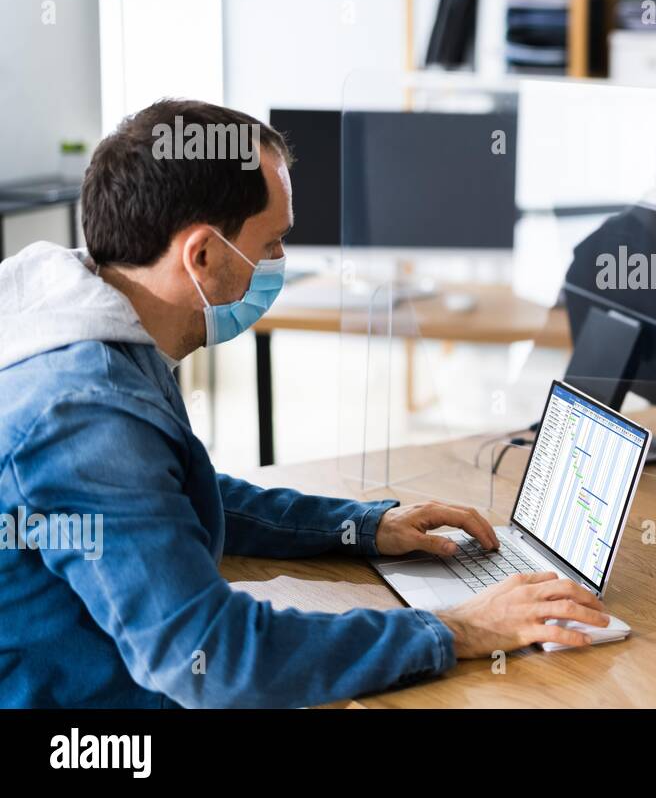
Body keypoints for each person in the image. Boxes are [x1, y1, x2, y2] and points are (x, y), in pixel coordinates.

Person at [0, 99, 608, 708]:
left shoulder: (91, 323)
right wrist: (462, 627)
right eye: (271, 244)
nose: (279, 265)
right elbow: (210, 656)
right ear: (202, 256)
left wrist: (362, 526)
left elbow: (169, 501)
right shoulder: (84, 415)